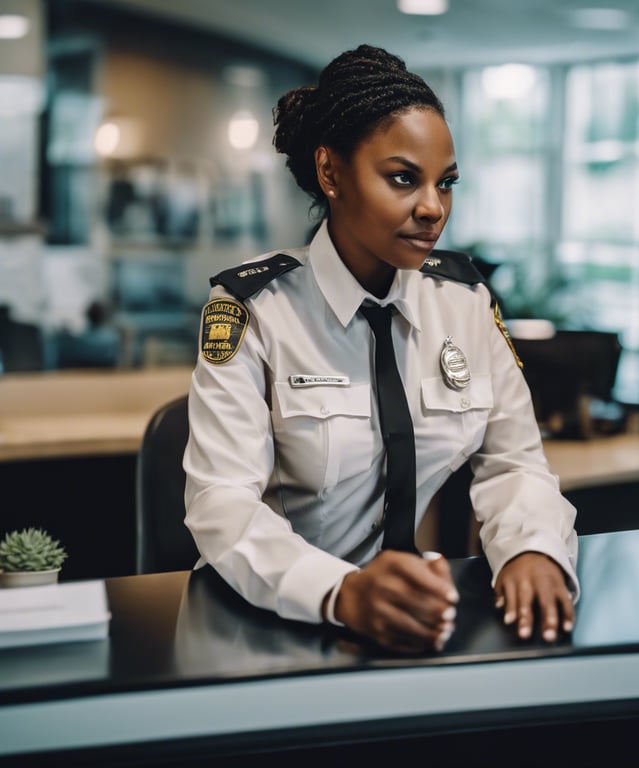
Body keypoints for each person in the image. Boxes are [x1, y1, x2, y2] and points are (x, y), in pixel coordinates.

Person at [183, 44, 579, 655]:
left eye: (445, 184)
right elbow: (222, 504)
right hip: (269, 622)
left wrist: (532, 548)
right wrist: (340, 591)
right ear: (331, 173)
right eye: (403, 178)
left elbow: (514, 464)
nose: (432, 208)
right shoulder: (254, 308)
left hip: (408, 617)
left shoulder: (464, 301)